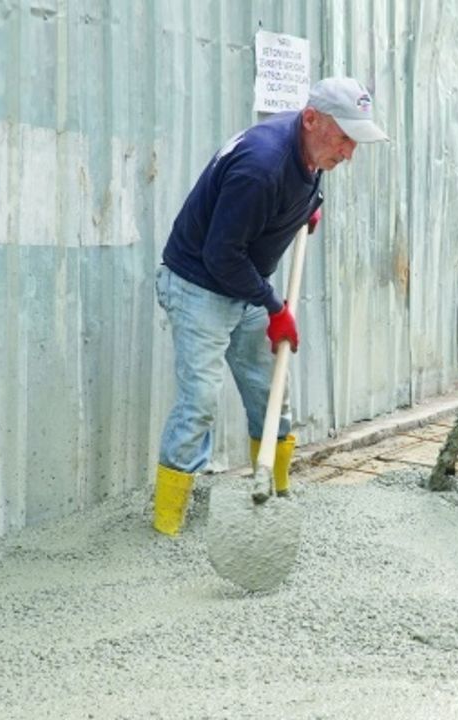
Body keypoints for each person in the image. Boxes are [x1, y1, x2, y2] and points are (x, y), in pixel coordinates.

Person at [152, 77, 389, 536]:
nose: (349, 153)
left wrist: (306, 206)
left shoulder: (309, 148)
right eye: (344, 138)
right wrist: (274, 307)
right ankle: (169, 523)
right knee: (200, 401)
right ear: (311, 119)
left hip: (244, 282)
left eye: (355, 141)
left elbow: (301, 179)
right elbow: (221, 255)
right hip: (199, 284)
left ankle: (275, 495)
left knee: (271, 391)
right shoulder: (261, 167)